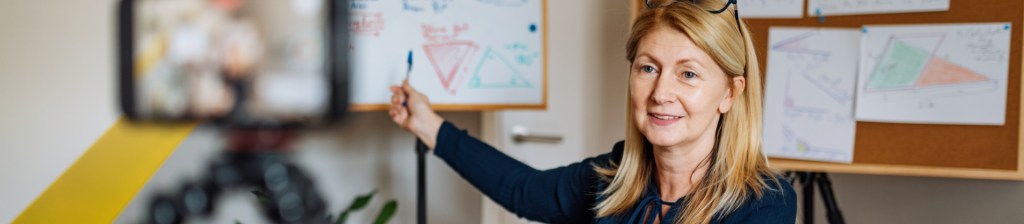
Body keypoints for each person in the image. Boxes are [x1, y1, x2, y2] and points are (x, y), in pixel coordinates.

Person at [387, 0, 796, 223]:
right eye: (648, 68)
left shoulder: (763, 203)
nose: (661, 92)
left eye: (688, 74)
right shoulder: (614, 179)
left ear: (730, 93)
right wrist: (427, 123)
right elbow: (522, 190)